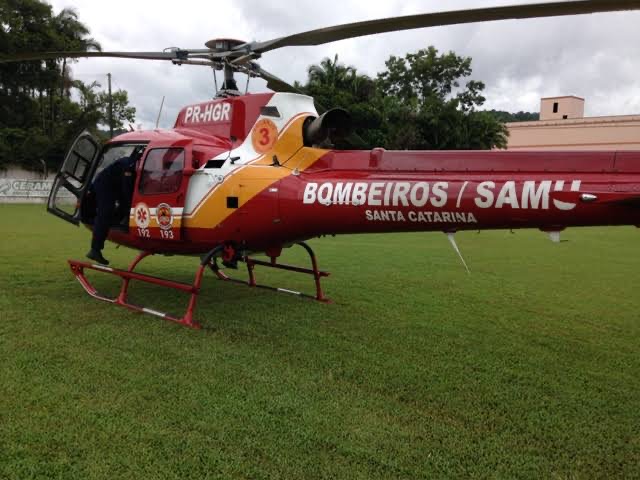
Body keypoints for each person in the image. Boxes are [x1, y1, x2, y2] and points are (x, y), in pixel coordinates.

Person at [86, 155, 137, 265]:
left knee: (122, 206)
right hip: (104, 185)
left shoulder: (134, 163)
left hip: (115, 186)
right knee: (105, 213)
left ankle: (115, 224)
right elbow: (127, 189)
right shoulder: (129, 165)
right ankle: (95, 250)